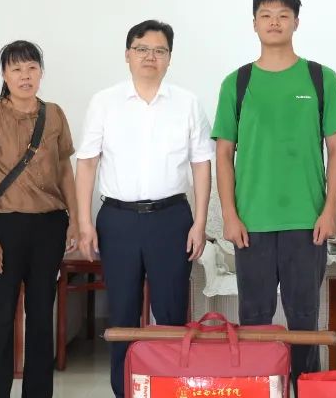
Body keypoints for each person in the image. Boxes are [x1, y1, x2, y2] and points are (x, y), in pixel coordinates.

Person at [212, 0, 336, 392]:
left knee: (304, 319)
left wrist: (329, 210)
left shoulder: (321, 78)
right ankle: (259, 388)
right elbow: (223, 154)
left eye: (283, 15)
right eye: (266, 15)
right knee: (254, 319)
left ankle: (304, 388)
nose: (274, 22)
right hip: (251, 223)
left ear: (296, 23)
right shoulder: (237, 82)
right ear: (254, 24)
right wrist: (230, 215)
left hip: (307, 222)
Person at [74, 20, 213, 398]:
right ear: (127, 54)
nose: (150, 56)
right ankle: (124, 389)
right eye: (142, 49)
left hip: (171, 219)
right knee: (122, 313)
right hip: (117, 220)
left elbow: (202, 164)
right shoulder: (105, 101)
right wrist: (84, 222)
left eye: (159, 50)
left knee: (170, 313)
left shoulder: (187, 102)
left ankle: (168, 388)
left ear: (169, 57)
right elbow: (86, 163)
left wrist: (199, 223)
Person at [0, 40, 78, 398]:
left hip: (49, 225)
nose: (25, 76)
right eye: (16, 69)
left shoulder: (54, 114)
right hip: (5, 227)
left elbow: (65, 171)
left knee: (42, 315)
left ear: (41, 72)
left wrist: (75, 220)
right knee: (0, 315)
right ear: (4, 74)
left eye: (31, 68)